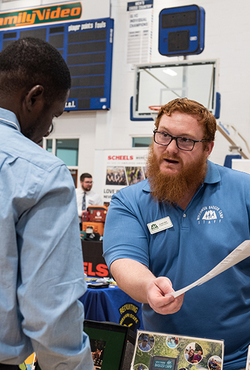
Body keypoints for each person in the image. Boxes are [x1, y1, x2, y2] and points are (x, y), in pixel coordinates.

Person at [103, 97, 250, 370]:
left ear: (208, 148)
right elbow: (124, 260)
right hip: (161, 357)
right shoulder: (129, 201)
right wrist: (149, 287)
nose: (170, 148)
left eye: (185, 141)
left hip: (235, 359)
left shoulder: (244, 191)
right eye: (164, 136)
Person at [0, 37, 93, 369]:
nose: (46, 130)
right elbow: (49, 309)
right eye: (52, 115)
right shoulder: (40, 172)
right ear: (33, 97)